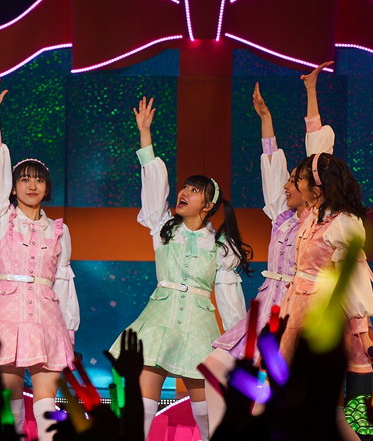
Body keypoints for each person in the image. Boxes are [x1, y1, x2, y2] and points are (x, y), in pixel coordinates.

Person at [108, 96, 253, 441]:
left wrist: (237, 347)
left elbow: (230, 301)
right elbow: (153, 190)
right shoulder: (163, 228)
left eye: (194, 190)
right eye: (185, 187)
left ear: (208, 205)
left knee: (208, 413)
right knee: (142, 405)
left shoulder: (220, 246)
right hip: (158, 320)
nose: (184, 192)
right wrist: (145, 136)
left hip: (198, 329)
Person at [204, 62, 336, 432]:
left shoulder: (320, 219)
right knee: (215, 366)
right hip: (266, 304)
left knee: (277, 394)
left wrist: (311, 93)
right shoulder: (282, 215)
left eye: (294, 181)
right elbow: (271, 166)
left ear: (312, 187)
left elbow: (318, 151)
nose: (285, 186)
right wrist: (265, 118)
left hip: (294, 308)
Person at [0, 78, 80, 441]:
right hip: (8, 315)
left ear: (47, 188)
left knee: (46, 404)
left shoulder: (58, 230)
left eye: (38, 180)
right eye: (24, 180)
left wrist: (69, 331)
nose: (32, 185)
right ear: (13, 188)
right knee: (10, 403)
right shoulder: (2, 220)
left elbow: (64, 281)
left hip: (47, 318)